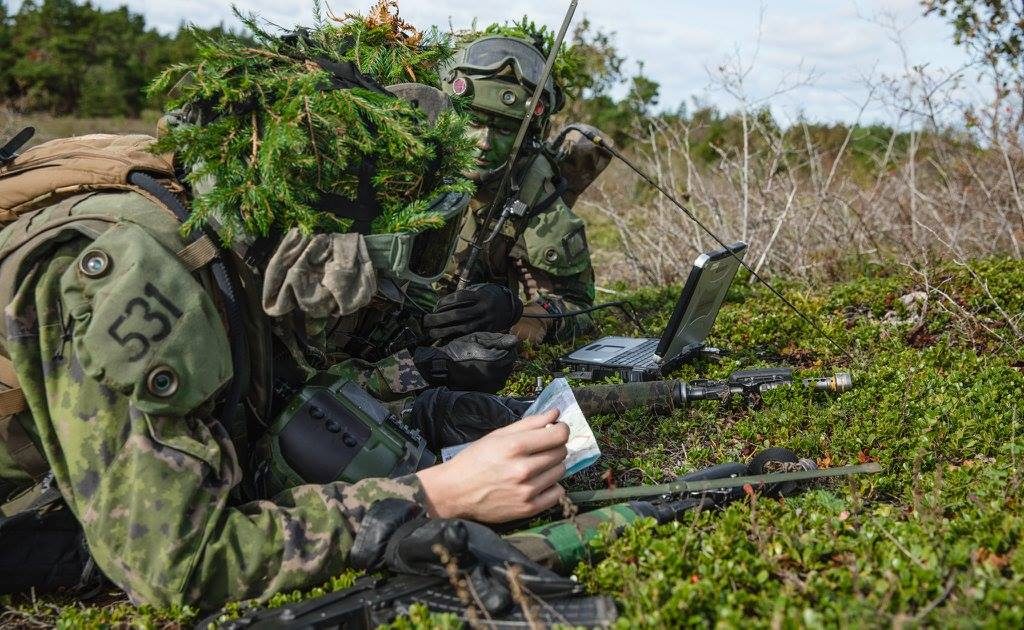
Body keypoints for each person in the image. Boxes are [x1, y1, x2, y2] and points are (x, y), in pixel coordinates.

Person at [0, 86, 569, 610]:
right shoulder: (138, 287)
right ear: (326, 245)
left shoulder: (230, 234)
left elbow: (264, 397)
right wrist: (439, 493)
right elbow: (180, 566)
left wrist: (422, 400)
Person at [424, 34, 609, 346]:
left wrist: (522, 315)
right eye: (473, 122)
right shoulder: (408, 157)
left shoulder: (531, 191)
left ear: (527, 136)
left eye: (504, 129)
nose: (484, 141)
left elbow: (578, 305)